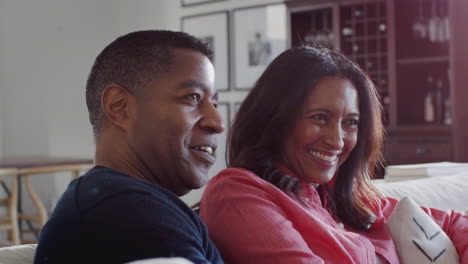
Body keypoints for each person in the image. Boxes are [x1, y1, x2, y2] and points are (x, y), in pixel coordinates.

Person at [199, 46, 468, 263]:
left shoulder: (340, 196)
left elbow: (457, 222)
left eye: (350, 122)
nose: (337, 140)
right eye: (319, 118)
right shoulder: (237, 193)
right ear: (275, 118)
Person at [34, 30, 225, 264]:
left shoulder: (124, 203)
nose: (218, 123)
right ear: (119, 106)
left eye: (215, 103)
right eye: (193, 97)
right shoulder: (125, 208)